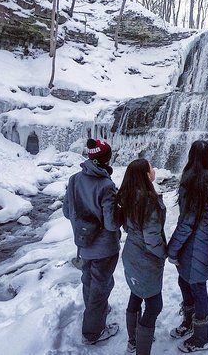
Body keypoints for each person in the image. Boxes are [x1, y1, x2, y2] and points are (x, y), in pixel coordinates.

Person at [167, 141, 208, 353]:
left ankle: (201, 337)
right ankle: (189, 321)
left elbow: (187, 223)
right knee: (187, 281)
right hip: (204, 243)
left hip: (192, 247)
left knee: (197, 287)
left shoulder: (193, 183)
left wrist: (172, 250)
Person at [63, 138, 121, 345]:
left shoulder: (74, 179)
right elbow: (112, 224)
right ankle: (93, 333)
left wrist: (84, 225)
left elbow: (67, 211)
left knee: (88, 280)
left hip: (83, 243)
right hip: (104, 248)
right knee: (101, 286)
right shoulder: (106, 185)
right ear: (106, 159)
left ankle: (95, 311)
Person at [117, 158, 168, 355]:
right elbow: (152, 238)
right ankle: (141, 349)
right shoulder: (149, 201)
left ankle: (133, 341)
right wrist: (164, 254)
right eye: (151, 168)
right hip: (146, 258)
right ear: (146, 175)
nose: (154, 170)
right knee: (155, 305)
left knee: (136, 293)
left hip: (131, 253)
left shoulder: (127, 195)